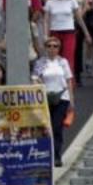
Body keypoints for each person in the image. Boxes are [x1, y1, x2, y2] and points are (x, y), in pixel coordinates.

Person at [32, 37, 75, 166]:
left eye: (55, 46)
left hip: (62, 98)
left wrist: (71, 101)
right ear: (46, 48)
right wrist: (40, 84)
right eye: (49, 46)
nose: (52, 48)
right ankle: (45, 154)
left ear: (58, 48)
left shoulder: (63, 62)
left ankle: (57, 155)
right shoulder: (41, 63)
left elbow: (68, 81)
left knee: (57, 127)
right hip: (45, 98)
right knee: (45, 128)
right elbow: (34, 78)